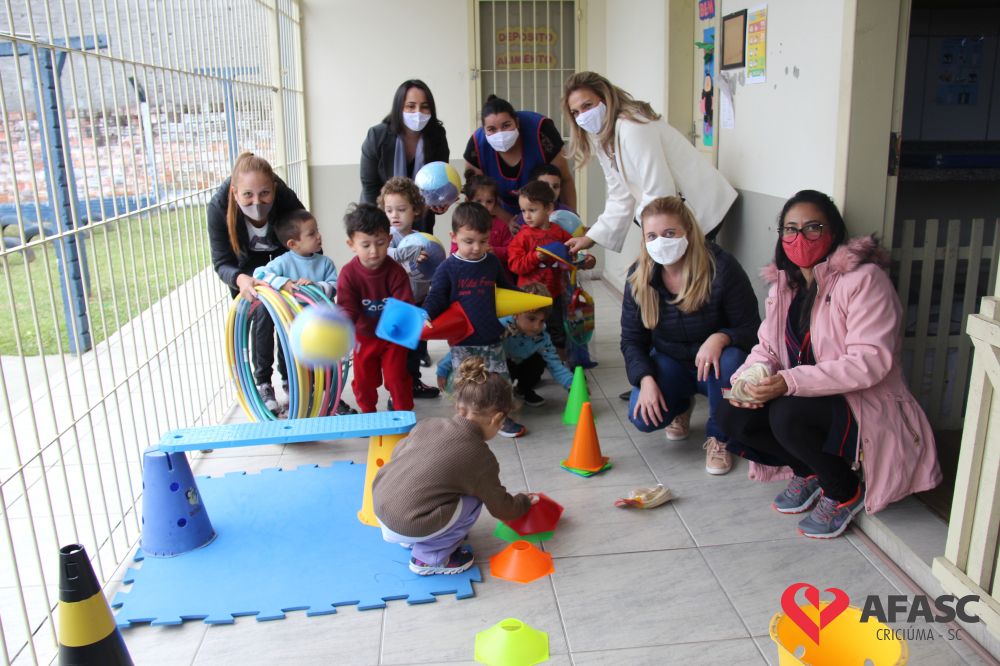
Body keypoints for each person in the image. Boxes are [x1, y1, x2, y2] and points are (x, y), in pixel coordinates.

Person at [716, 190, 941, 538]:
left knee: (787, 412)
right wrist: (748, 380)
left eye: (813, 227)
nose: (800, 237)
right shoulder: (786, 287)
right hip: (811, 398)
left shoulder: (864, 280)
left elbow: (870, 361)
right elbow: (767, 349)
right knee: (732, 412)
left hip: (863, 403)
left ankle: (843, 489)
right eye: (790, 229)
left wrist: (789, 382)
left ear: (833, 232)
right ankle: (809, 471)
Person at [621, 196, 760, 476]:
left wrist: (721, 337)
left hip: (716, 364)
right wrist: (645, 380)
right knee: (642, 417)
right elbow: (632, 340)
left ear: (688, 231)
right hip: (671, 360)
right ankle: (681, 406)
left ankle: (720, 437)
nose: (661, 242)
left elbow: (752, 329)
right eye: (652, 236)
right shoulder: (639, 276)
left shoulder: (722, 267)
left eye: (670, 233)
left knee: (730, 360)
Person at [373, 356, 537, 575]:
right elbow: (501, 508)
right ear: (497, 419)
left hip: (381, 507)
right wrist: (523, 502)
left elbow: (398, 454)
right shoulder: (480, 457)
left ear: (459, 408)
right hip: (409, 523)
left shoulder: (428, 424)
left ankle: (413, 537)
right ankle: (430, 558)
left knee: (430, 481)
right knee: (475, 498)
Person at [561, 71, 737, 255]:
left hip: (700, 207)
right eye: (576, 112)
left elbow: (659, 187)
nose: (583, 116)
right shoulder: (604, 140)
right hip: (674, 209)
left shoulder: (632, 126)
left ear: (605, 98)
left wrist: (649, 232)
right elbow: (619, 195)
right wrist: (592, 237)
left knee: (689, 265)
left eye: (587, 106)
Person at [208, 151, 303, 415]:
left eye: (264, 194)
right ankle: (263, 383)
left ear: (274, 189)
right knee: (261, 312)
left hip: (282, 257)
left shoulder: (285, 199)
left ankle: (291, 378)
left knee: (288, 313)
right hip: (244, 266)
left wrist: (309, 273)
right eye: (248, 195)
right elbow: (222, 262)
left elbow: (306, 236)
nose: (257, 202)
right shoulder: (218, 208)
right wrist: (241, 280)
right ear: (235, 193)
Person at [423, 202, 525, 438]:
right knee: (467, 386)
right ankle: (465, 422)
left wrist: (526, 298)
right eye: (469, 241)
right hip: (463, 341)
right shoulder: (447, 268)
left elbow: (506, 288)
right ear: (454, 236)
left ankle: (501, 419)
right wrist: (426, 313)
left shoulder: (492, 263)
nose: (477, 247)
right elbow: (436, 297)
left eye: (483, 241)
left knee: (499, 382)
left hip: (492, 337)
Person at [437, 282, 574, 407]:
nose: (537, 326)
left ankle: (523, 390)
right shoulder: (499, 326)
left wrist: (572, 384)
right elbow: (468, 347)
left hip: (522, 365)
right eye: (531, 319)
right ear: (516, 313)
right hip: (499, 365)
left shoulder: (542, 337)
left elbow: (555, 364)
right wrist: (443, 368)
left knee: (539, 362)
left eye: (542, 320)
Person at [336, 203, 414, 414]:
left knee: (396, 377)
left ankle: (403, 413)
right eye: (366, 245)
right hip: (364, 336)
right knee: (364, 381)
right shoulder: (348, 274)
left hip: (393, 337)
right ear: (352, 244)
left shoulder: (396, 272)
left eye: (380, 243)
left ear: (389, 239)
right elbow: (347, 307)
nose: (374, 251)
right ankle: (367, 413)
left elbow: (405, 305)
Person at [508, 181, 597, 353]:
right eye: (523, 211)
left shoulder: (559, 233)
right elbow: (515, 265)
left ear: (548, 208)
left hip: (556, 294)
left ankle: (560, 361)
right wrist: (535, 257)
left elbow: (572, 255)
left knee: (558, 332)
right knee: (529, 332)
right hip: (530, 296)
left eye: (532, 210)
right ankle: (532, 360)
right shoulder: (522, 237)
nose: (527, 216)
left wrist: (586, 261)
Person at [464, 95, 577, 220]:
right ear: (483, 130)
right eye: (491, 129)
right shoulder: (476, 146)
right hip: (502, 214)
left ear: (517, 122)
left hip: (548, 213)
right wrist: (510, 222)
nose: (500, 134)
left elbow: (565, 180)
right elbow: (476, 197)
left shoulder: (541, 132)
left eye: (506, 125)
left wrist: (571, 220)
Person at [361, 79, 450, 234]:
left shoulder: (437, 136)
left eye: (424, 106)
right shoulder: (377, 136)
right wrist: (381, 228)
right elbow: (369, 186)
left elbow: (438, 181)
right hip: (380, 219)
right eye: (411, 106)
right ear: (399, 107)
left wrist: (440, 201)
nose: (418, 112)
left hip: (421, 221)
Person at [378, 177, 440, 400]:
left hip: (418, 301)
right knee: (397, 353)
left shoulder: (421, 239)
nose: (394, 215)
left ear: (416, 210)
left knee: (415, 348)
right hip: (396, 304)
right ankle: (395, 392)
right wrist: (407, 254)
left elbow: (433, 266)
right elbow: (384, 254)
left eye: (401, 209)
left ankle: (413, 383)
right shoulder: (386, 239)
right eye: (389, 210)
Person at [254, 210, 338, 298]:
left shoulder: (326, 263)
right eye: (311, 234)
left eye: (317, 230)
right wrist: (283, 283)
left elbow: (335, 288)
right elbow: (259, 275)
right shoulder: (283, 261)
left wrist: (316, 287)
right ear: (293, 244)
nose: (319, 236)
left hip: (321, 307)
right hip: (290, 307)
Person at [454, 175, 515, 282]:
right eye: (478, 201)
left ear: (495, 202)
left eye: (489, 201)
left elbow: (512, 251)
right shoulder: (462, 225)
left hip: (498, 280)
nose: (484, 206)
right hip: (470, 279)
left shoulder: (502, 225)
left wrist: (494, 251)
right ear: (468, 201)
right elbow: (454, 253)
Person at [508, 163, 576, 233]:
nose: (551, 190)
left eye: (555, 186)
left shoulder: (568, 213)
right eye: (544, 185)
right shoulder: (523, 218)